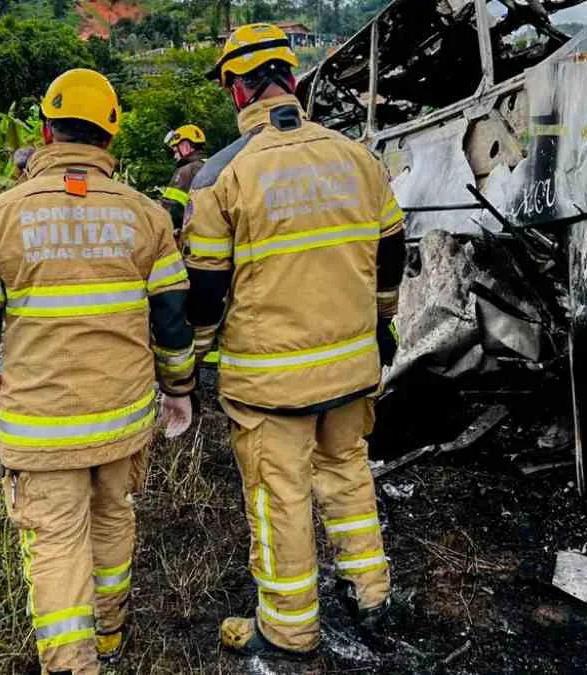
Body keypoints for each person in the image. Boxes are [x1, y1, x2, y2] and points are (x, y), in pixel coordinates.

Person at [0, 68, 196, 675]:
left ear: (45, 130)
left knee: (56, 543)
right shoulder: (148, 216)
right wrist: (180, 392)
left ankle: (73, 664)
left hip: (41, 426)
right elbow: (172, 321)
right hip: (123, 420)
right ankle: (107, 637)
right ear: (110, 137)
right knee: (113, 520)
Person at [183, 22, 406, 659]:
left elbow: (205, 290)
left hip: (269, 381)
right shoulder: (357, 157)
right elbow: (392, 252)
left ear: (235, 90)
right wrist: (382, 321)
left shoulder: (221, 178)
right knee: (346, 472)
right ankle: (370, 591)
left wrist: (197, 356)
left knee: (280, 497)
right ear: (293, 80)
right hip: (352, 365)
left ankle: (288, 630)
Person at [159, 124, 208, 241]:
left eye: (176, 150)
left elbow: (171, 210)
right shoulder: (208, 164)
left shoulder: (186, 171)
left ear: (185, 146)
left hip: (191, 239)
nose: (175, 155)